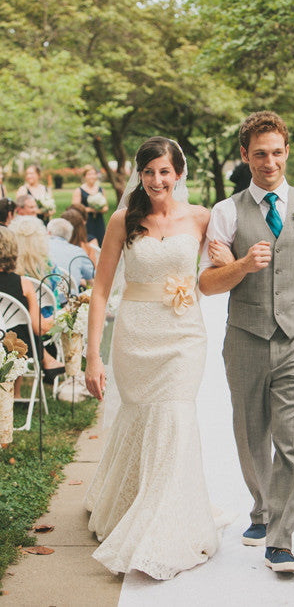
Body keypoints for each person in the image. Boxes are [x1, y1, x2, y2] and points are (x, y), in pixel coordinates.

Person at [199, 111, 294, 574]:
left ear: (287, 152)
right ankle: (260, 507)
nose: (269, 161)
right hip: (244, 337)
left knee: (292, 442)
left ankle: (280, 540)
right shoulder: (225, 212)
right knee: (250, 434)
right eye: (259, 153)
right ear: (245, 155)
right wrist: (241, 265)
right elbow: (207, 284)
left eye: (277, 152)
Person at [84, 136, 230, 579]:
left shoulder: (203, 218)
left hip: (184, 335)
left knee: (175, 417)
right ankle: (128, 502)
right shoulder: (121, 220)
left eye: (164, 171)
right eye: (148, 171)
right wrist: (94, 356)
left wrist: (230, 260)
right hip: (135, 335)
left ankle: (165, 526)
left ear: (179, 174)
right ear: (139, 174)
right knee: (141, 415)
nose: (156, 180)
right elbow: (102, 289)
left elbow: (217, 276)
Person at [0, 227, 65, 396]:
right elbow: (39, 328)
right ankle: (46, 361)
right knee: (21, 330)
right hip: (15, 349)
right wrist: (62, 317)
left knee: (13, 329)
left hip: (7, 343)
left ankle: (16, 393)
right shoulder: (23, 284)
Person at [9, 216, 61, 317]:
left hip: (14, 320)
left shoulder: (9, 268)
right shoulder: (49, 267)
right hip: (47, 321)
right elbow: (57, 301)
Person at [47, 218, 95, 290]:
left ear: (49, 233)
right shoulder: (78, 252)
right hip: (70, 297)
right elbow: (91, 276)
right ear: (69, 235)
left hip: (42, 297)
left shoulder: (38, 249)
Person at [71, 165, 108, 246]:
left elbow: (106, 208)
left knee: (101, 243)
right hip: (86, 222)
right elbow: (75, 209)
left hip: (99, 221)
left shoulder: (101, 190)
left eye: (94, 174)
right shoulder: (79, 190)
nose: (92, 176)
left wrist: (99, 209)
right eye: (89, 174)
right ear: (84, 176)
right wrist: (90, 209)